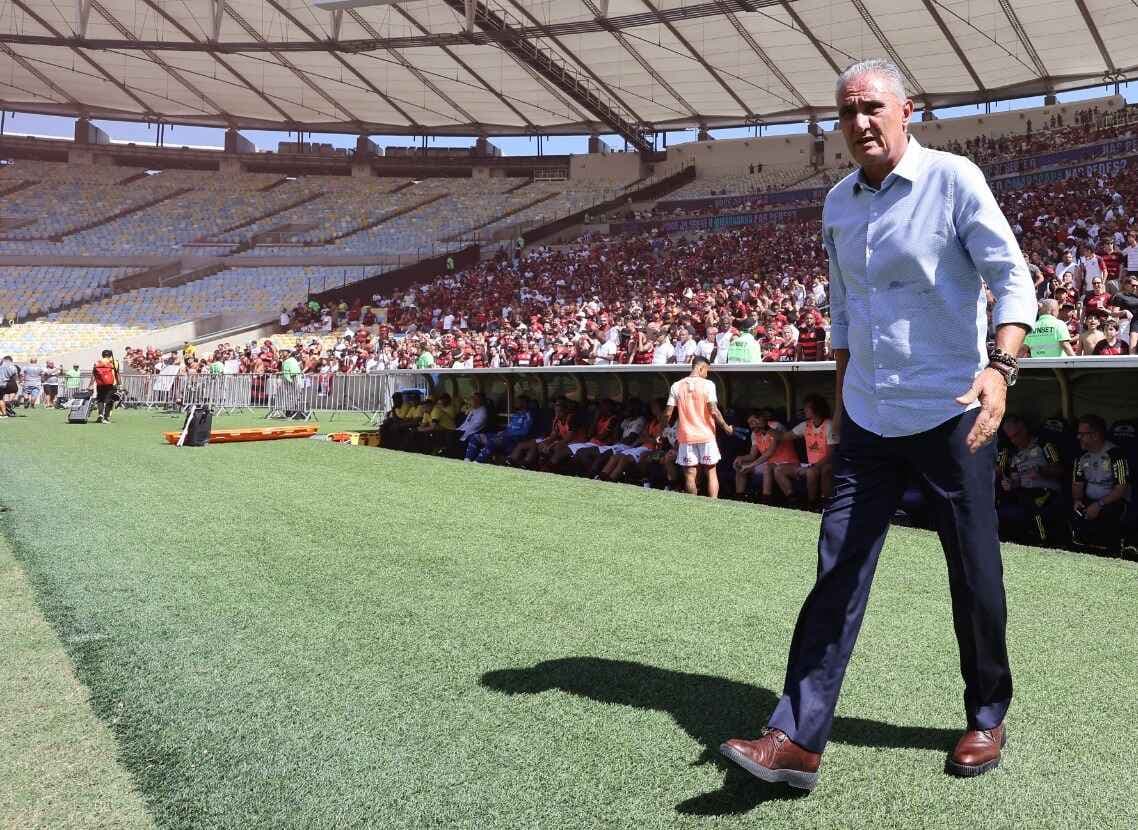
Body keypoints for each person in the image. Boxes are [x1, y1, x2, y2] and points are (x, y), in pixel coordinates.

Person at [720, 59, 1036, 791]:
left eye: (872, 107)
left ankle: (986, 714)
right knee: (837, 569)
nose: (860, 122)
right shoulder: (837, 202)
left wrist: (1000, 368)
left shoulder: (953, 180)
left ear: (905, 111)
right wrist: (840, 400)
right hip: (867, 414)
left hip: (951, 412)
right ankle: (796, 738)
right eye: (847, 111)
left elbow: (1012, 278)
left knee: (974, 573)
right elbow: (843, 307)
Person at [662, 356, 732, 498]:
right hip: (706, 435)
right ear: (701, 368)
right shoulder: (708, 385)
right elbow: (714, 410)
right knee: (711, 471)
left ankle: (693, 505)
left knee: (690, 474)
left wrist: (660, 430)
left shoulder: (676, 386)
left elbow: (667, 413)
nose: (707, 374)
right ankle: (713, 504)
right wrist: (726, 427)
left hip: (686, 436)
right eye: (707, 370)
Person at [996, 415, 1065, 545]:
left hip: (1046, 491)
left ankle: (1044, 543)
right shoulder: (1014, 455)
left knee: (1033, 506)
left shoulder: (1044, 445)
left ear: (1023, 428)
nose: (1014, 440)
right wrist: (1010, 484)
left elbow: (1060, 469)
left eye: (1016, 435)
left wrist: (1041, 471)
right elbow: (1015, 480)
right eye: (1010, 438)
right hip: (1024, 493)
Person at [1071, 414, 1131, 554]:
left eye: (1082, 434)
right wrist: (1077, 500)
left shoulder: (1116, 454)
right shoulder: (1081, 457)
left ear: (1095, 435)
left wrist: (1099, 505)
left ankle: (1111, 552)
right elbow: (1077, 484)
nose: (1078, 437)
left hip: (1113, 503)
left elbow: (1121, 488)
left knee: (1109, 515)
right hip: (1090, 501)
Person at [772, 395, 835, 509]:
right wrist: (766, 428)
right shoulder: (805, 425)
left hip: (824, 465)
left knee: (812, 472)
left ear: (816, 409)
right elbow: (784, 436)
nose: (804, 410)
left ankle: (812, 504)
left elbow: (831, 454)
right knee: (778, 470)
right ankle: (793, 499)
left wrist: (814, 466)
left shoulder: (829, 425)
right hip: (809, 465)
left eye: (807, 407)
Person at [89, 349, 121, 424]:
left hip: (100, 384)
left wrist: (91, 385)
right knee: (109, 400)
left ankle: (100, 414)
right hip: (112, 384)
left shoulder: (97, 362)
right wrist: (120, 384)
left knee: (100, 400)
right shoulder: (114, 362)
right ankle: (106, 417)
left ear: (102, 355)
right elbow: (117, 374)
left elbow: (93, 374)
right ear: (110, 355)